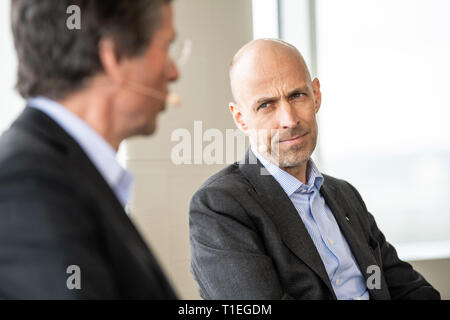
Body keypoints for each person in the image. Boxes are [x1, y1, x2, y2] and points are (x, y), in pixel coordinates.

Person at [189, 39, 440, 300]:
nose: (289, 120)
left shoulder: (344, 195)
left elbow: (405, 287)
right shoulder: (220, 206)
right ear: (240, 118)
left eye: (297, 95)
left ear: (316, 95)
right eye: (266, 105)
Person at [0, 0, 178, 299]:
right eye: (166, 46)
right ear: (113, 58)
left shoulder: (66, 172)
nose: (173, 72)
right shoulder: (26, 183)